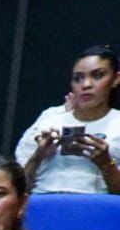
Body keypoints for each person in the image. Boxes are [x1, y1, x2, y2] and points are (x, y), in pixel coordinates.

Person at [14, 45, 120, 194]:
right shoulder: (49, 121)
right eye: (78, 78)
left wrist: (106, 164)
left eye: (97, 75)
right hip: (43, 203)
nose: (86, 85)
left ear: (116, 79)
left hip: (98, 208)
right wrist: (38, 156)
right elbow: (16, 190)